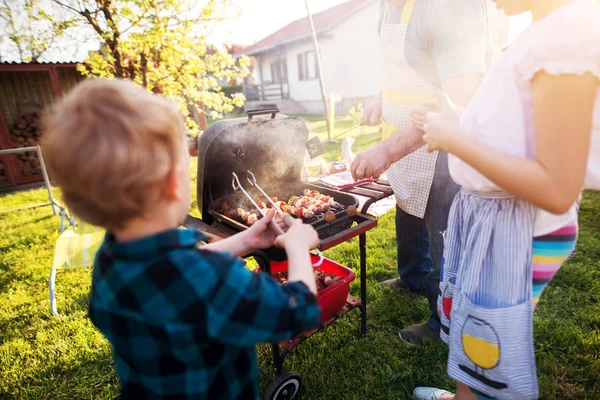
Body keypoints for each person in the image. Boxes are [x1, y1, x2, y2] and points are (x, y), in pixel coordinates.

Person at [41, 78, 322, 400]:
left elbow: (174, 270)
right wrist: (298, 247)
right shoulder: (211, 281)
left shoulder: (111, 259)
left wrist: (242, 242)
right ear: (173, 185)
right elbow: (299, 311)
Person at [410, 0, 600, 398]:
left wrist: (455, 140)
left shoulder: (564, 43)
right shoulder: (538, 33)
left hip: (517, 227)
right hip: (490, 217)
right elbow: (514, 131)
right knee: (470, 324)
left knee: (487, 344)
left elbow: (556, 185)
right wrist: (458, 115)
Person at [351, 0, 492, 344]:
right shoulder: (386, 8)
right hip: (403, 131)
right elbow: (403, 67)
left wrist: (386, 150)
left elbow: (457, 95)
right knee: (406, 207)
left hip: (444, 139)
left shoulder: (449, 7)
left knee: (443, 232)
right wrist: (381, 100)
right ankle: (411, 276)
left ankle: (440, 320)